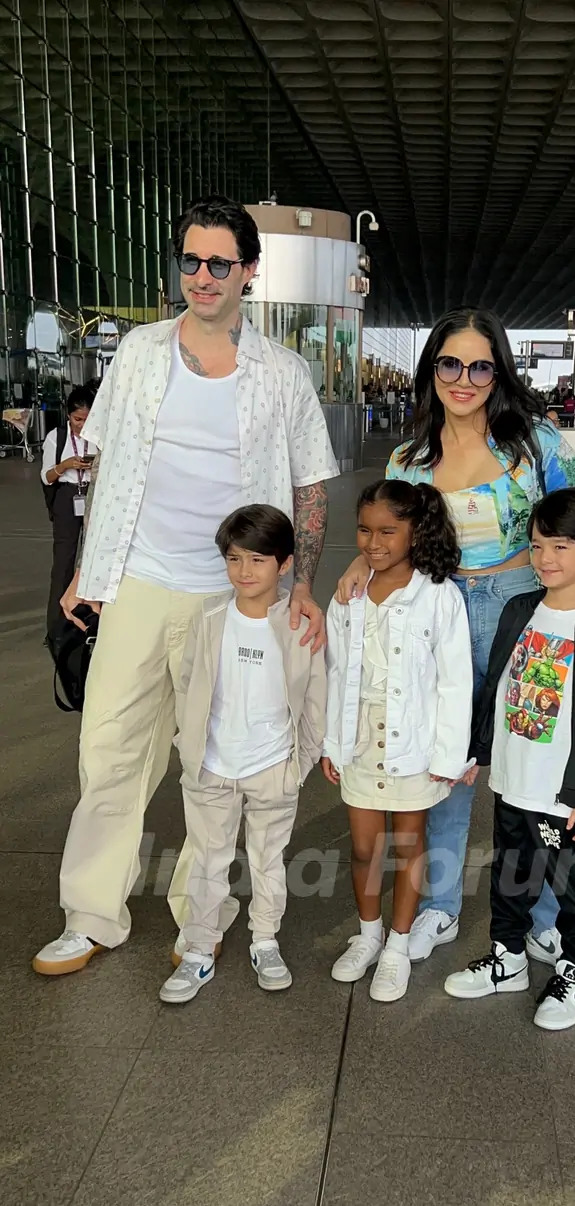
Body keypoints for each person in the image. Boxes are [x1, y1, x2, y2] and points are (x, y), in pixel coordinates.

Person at [34, 193, 339, 978]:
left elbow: (309, 487)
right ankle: (92, 912)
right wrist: (86, 572)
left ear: (249, 272)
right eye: (191, 261)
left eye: (219, 263)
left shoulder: (283, 373)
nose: (202, 277)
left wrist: (300, 586)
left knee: (211, 764)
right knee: (108, 750)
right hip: (139, 581)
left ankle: (198, 915)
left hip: (232, 595)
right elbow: (107, 472)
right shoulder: (138, 351)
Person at [336, 307, 575, 969]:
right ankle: (439, 903)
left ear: (498, 373)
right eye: (450, 363)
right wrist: (363, 559)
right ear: (431, 369)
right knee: (447, 766)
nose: (463, 378)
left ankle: (545, 916)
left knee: (537, 773)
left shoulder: (534, 442)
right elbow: (392, 535)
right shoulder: (410, 458)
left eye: (479, 365)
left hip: (529, 614)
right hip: (442, 616)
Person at [444, 488, 575, 1030]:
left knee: (573, 883)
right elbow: (498, 685)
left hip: (562, 792)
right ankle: (509, 959)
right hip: (512, 778)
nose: (546, 558)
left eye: (562, 546)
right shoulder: (520, 609)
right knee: (510, 871)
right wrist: (481, 750)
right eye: (538, 545)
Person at [158, 505, 325, 1004]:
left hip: (273, 767)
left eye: (257, 560)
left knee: (268, 860)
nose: (245, 572)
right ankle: (199, 949)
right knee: (207, 863)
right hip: (212, 766)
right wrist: (188, 748)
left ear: (285, 563)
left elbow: (315, 697)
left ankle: (265, 940)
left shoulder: (300, 625)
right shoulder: (210, 620)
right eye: (234, 559)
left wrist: (300, 763)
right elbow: (187, 685)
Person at [324, 479, 472, 1004]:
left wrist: (450, 755)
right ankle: (367, 935)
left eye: (389, 530)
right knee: (364, 848)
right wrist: (331, 743)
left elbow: (455, 681)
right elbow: (336, 671)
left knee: (410, 845)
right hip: (362, 740)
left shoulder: (440, 596)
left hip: (415, 746)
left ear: (416, 531)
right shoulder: (348, 595)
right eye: (364, 529)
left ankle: (398, 945)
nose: (373, 542)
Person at [40, 385, 97, 651]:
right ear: (68, 415)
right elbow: (47, 476)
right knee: (63, 563)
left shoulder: (99, 435)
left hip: (92, 497)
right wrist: (66, 465)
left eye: (87, 419)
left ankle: (88, 621)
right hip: (67, 497)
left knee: (92, 561)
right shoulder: (57, 437)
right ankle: (55, 630)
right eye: (77, 419)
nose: (82, 425)